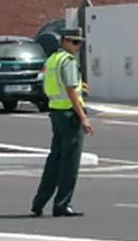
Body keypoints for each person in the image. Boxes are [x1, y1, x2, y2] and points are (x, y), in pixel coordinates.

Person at [30, 27, 94, 217]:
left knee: (55, 160)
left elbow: (49, 85)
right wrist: (83, 117)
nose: (78, 46)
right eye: (74, 42)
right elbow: (71, 90)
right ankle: (62, 204)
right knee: (70, 163)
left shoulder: (52, 60)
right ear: (64, 41)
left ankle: (39, 201)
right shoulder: (67, 61)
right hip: (69, 114)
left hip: (56, 112)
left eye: (80, 43)